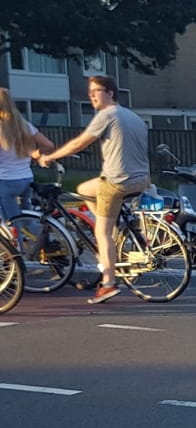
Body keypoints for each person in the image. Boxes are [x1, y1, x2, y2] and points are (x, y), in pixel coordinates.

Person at [36, 76, 148, 304]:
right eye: (90, 92)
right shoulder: (133, 116)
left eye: (96, 91)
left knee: (102, 232)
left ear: (110, 93)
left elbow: (80, 143)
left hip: (116, 181)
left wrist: (51, 157)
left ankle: (108, 283)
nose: (91, 96)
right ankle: (111, 226)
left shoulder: (107, 115)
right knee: (84, 188)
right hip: (141, 179)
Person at [0, 88, 56, 226]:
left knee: (12, 223)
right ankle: (42, 238)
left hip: (6, 180)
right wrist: (34, 153)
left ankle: (17, 240)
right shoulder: (23, 125)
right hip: (27, 179)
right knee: (29, 220)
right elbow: (49, 145)